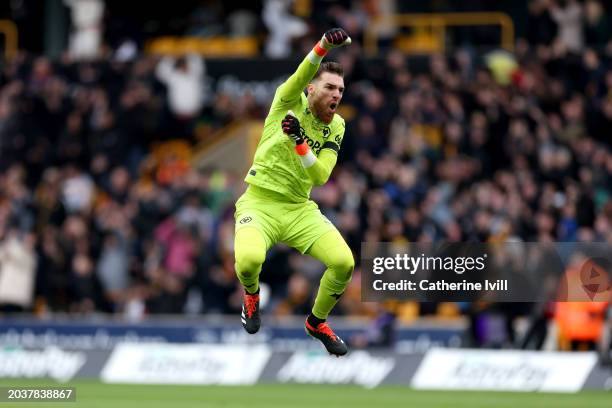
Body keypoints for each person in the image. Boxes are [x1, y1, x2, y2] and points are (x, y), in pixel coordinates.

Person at [234, 28, 353, 356]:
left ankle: (317, 322)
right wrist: (323, 46)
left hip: (299, 209)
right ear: (311, 89)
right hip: (259, 202)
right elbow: (301, 74)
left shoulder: (337, 125)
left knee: (344, 263)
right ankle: (252, 296)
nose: (336, 95)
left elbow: (321, 175)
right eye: (329, 87)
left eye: (340, 90)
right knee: (249, 260)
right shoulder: (288, 100)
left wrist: (301, 143)